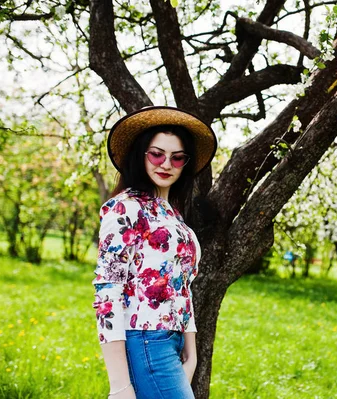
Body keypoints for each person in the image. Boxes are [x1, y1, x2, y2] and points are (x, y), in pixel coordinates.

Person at [92, 106, 217, 399]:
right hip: (145, 340)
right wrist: (119, 385)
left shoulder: (172, 215)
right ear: (141, 154)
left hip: (172, 342)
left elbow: (180, 285)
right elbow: (107, 291)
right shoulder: (125, 208)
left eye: (177, 157)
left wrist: (191, 348)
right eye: (156, 154)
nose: (166, 164)